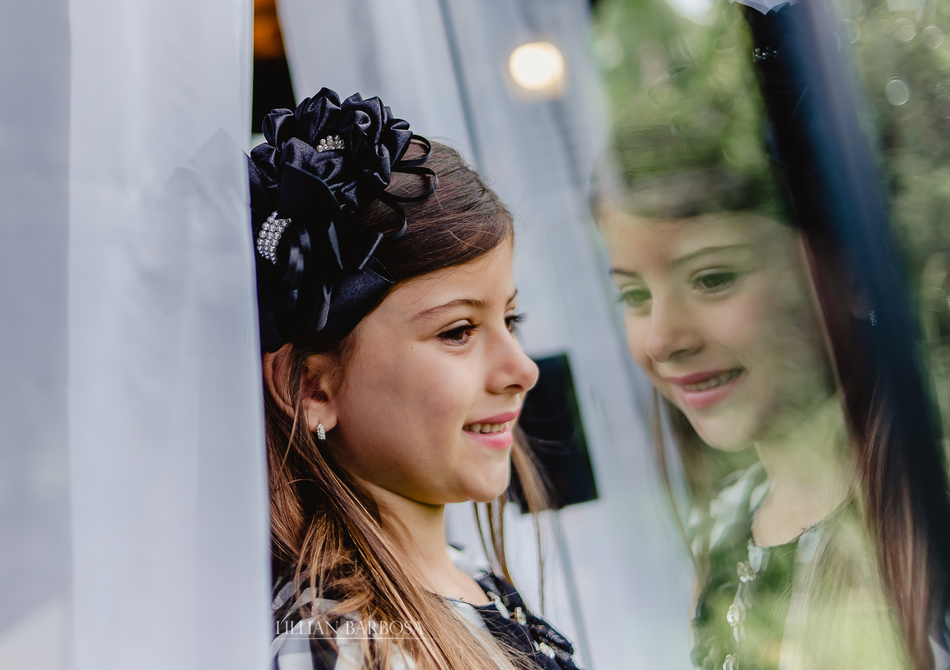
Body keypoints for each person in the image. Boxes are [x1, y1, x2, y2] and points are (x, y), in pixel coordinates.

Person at [592, 70, 948, 670]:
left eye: (713, 279)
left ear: (852, 270)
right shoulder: (725, 530)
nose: (662, 339)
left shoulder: (931, 502)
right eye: (634, 296)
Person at [250, 88, 579, 670]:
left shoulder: (469, 583)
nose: (522, 370)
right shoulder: (344, 647)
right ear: (312, 389)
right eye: (457, 331)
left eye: (511, 319)